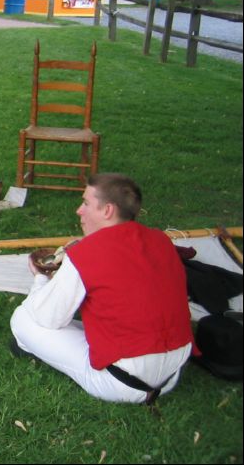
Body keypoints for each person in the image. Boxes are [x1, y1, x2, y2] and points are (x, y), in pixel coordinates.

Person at [10, 173, 197, 404]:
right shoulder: (160, 240)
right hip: (170, 375)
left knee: (22, 318)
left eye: (86, 203)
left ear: (107, 210)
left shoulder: (86, 253)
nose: (80, 210)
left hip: (121, 383)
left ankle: (27, 346)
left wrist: (40, 279)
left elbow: (47, 318)